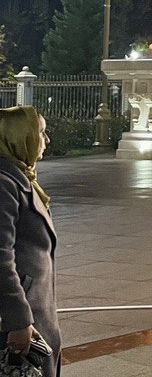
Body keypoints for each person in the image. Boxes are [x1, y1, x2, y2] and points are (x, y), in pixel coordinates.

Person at [0, 106, 60, 376]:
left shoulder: (20, 177)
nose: (46, 140)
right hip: (20, 317)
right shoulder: (4, 184)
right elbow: (1, 259)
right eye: (41, 133)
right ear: (19, 137)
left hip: (35, 306)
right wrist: (19, 320)